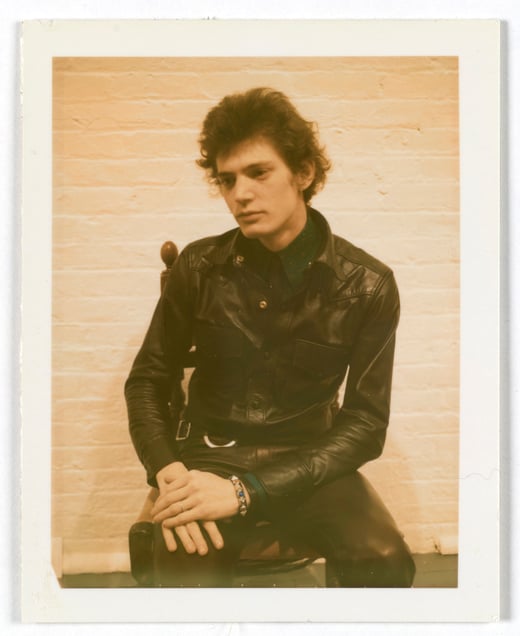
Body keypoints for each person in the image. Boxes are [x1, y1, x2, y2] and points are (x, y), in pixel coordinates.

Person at [125, 87, 416, 588]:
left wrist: (244, 492)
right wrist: (168, 471)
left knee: (383, 558)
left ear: (303, 172)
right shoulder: (198, 266)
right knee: (182, 570)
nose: (239, 194)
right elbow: (148, 380)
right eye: (227, 179)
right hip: (207, 457)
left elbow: (366, 424)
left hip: (311, 463)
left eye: (259, 173)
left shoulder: (367, 284)